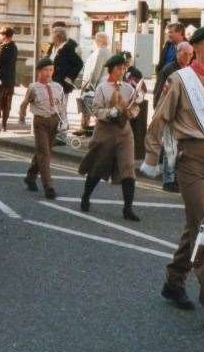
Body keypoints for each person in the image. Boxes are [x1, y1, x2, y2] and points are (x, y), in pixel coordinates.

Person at [142, 25, 204, 332]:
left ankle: (173, 281)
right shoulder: (180, 80)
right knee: (203, 230)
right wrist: (151, 158)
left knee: (196, 224)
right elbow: (160, 119)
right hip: (192, 160)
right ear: (195, 49)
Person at [77, 54, 142, 221]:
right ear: (111, 69)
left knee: (128, 168)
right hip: (105, 132)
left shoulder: (128, 88)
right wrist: (110, 113)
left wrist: (132, 112)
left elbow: (135, 107)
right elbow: (96, 110)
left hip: (124, 132)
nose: (122, 70)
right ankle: (85, 196)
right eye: (119, 68)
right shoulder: (102, 88)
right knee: (98, 167)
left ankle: (128, 208)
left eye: (124, 68)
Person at [18, 57, 66, 199]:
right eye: (45, 70)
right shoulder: (33, 87)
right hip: (40, 122)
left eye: (51, 70)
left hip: (54, 121)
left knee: (43, 151)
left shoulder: (58, 87)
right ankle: (48, 187)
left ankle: (30, 176)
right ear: (39, 71)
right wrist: (22, 117)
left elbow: (62, 106)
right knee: (44, 153)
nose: (49, 73)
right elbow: (24, 103)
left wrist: (64, 122)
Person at [153, 42, 193, 192]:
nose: (188, 57)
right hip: (169, 110)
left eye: (190, 54)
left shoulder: (188, 69)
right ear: (178, 53)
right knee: (170, 145)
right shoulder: (170, 69)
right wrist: (158, 109)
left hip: (182, 112)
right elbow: (161, 90)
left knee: (179, 145)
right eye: (185, 54)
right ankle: (168, 180)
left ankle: (175, 177)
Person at [45, 25, 83, 127]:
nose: (51, 37)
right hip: (51, 80)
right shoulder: (53, 47)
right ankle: (58, 124)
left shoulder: (68, 48)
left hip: (62, 81)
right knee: (53, 104)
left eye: (52, 35)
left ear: (58, 36)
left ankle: (64, 124)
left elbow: (79, 64)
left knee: (61, 105)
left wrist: (69, 77)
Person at [79, 32, 111, 134]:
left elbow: (96, 69)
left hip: (98, 82)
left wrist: (91, 84)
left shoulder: (101, 51)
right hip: (103, 82)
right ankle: (89, 126)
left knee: (90, 104)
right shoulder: (106, 51)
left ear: (99, 40)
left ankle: (86, 126)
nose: (94, 41)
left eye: (96, 39)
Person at [0, 27, 18, 133]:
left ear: (5, 36)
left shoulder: (8, 47)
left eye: (1, 35)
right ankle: (2, 126)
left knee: (0, 103)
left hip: (4, 80)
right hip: (7, 79)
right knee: (4, 104)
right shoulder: (9, 46)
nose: (0, 37)